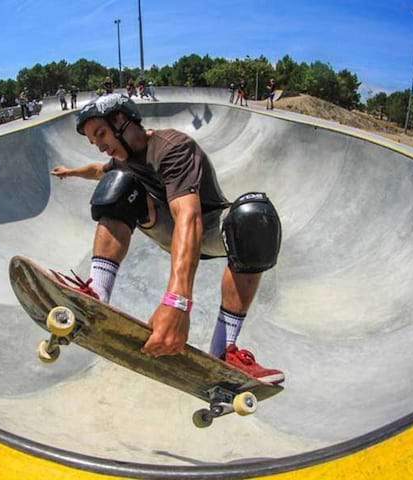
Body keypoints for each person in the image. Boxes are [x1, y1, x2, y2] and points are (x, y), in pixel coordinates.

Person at [49, 94, 284, 384]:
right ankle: (96, 295)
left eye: (101, 134)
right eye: (93, 142)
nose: (99, 145)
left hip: (209, 229)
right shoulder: (120, 161)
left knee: (254, 216)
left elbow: (189, 216)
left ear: (121, 121)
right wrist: (70, 172)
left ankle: (225, 350)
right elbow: (98, 170)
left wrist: (177, 302)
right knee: (118, 183)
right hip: (161, 226)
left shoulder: (171, 147)